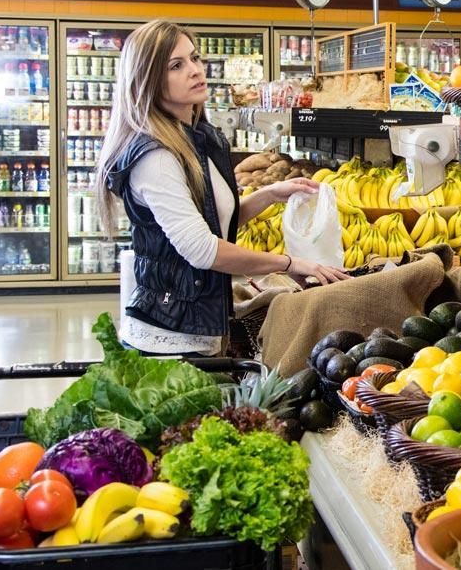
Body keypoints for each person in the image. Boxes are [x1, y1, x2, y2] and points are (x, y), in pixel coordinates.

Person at [95, 20, 349, 356]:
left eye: (194, 58)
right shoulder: (155, 156)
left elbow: (213, 223)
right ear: (148, 82)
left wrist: (270, 194)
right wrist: (290, 263)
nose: (195, 70)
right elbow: (201, 248)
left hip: (198, 329)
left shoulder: (197, 138)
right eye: (176, 65)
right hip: (170, 339)